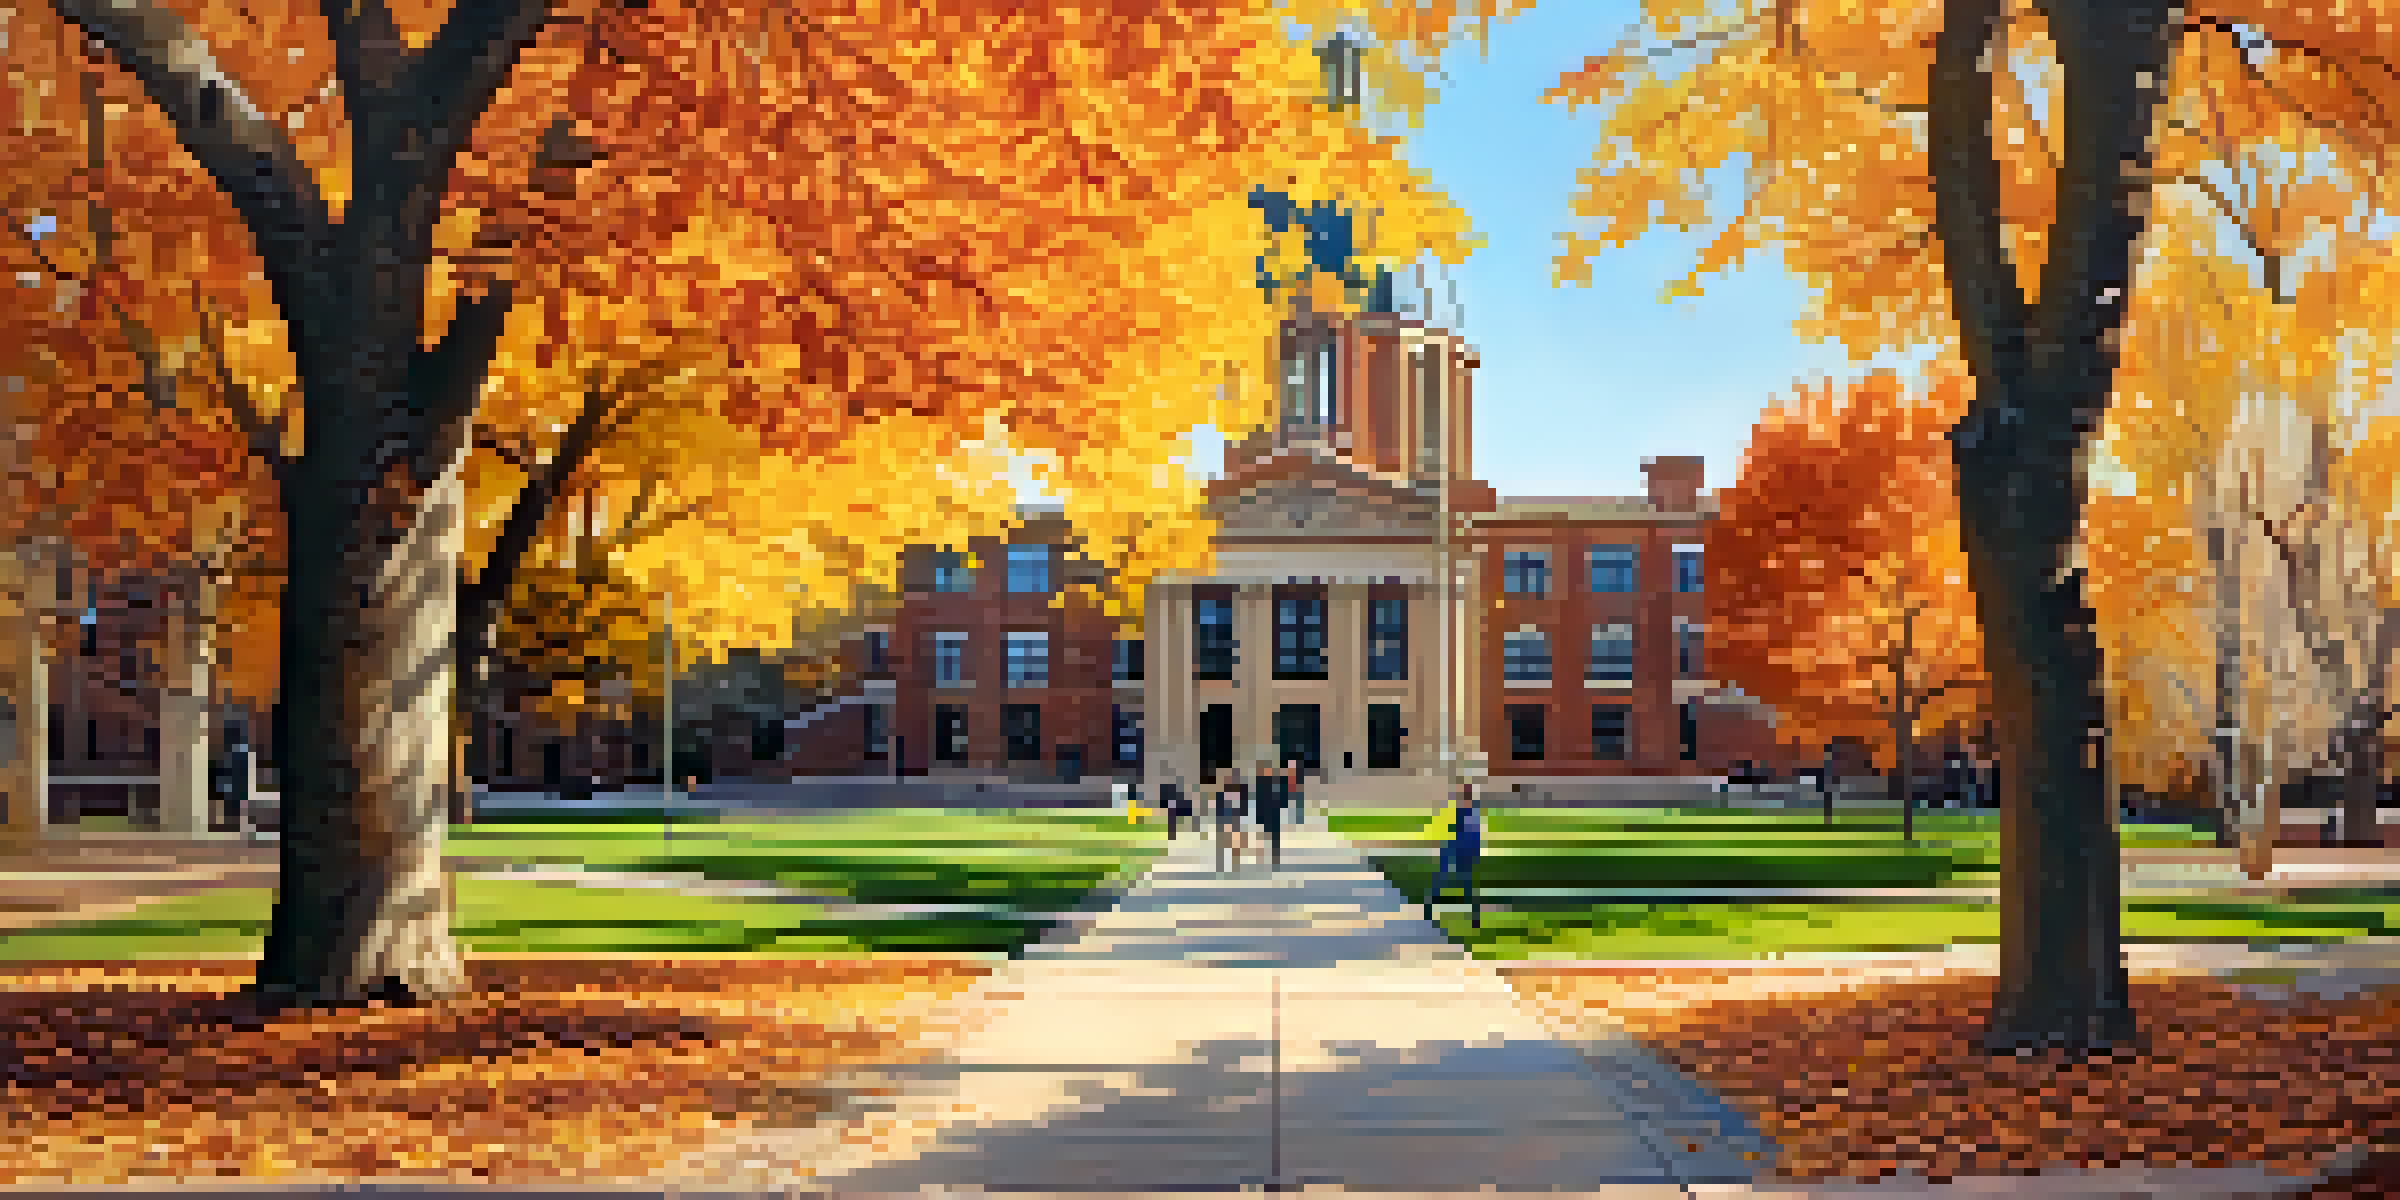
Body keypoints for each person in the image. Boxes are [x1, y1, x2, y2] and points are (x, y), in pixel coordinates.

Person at [1424, 782, 1482, 928]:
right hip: (1453, 849)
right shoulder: (1455, 812)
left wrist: (1474, 853)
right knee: (1442, 878)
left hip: (1465, 852)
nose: (1462, 799)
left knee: (1468, 884)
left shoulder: (1471, 813)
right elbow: (1442, 830)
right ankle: (1429, 910)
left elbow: (1475, 837)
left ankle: (1475, 917)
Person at [1253, 758, 1285, 871]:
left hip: (1273, 812)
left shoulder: (1275, 781)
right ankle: (1266, 859)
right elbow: (1258, 799)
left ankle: (1274, 859)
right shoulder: (1260, 782)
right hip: (1265, 812)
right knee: (1265, 835)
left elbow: (1281, 795)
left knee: (1274, 836)